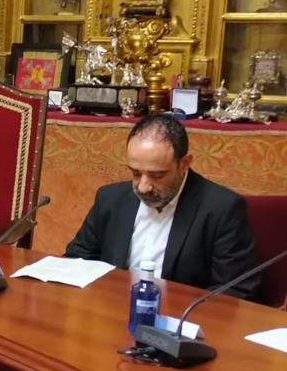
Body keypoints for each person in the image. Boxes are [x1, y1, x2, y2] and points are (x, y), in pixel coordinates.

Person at [65, 113, 260, 299]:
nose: (143, 187)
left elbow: (235, 289)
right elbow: (77, 259)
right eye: (135, 173)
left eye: (157, 175)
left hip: (179, 324)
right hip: (112, 311)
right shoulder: (110, 199)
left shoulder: (221, 208)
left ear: (184, 164)